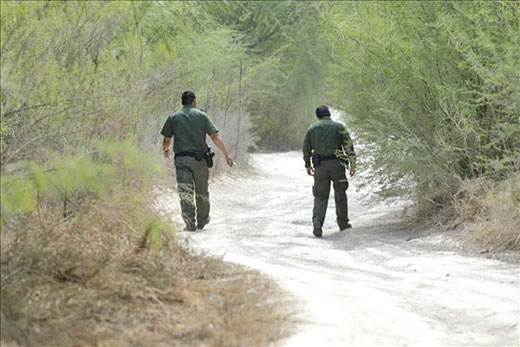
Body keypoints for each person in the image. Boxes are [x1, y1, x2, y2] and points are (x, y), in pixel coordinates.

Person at [161, 91, 234, 231]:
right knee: (202, 192)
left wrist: (165, 150)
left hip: (181, 160)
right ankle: (202, 220)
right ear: (194, 101)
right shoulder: (202, 116)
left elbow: (166, 140)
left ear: (182, 101)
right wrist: (226, 154)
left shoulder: (173, 117)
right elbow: (215, 137)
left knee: (185, 191)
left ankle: (189, 223)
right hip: (199, 160)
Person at [303, 105, 356, 237]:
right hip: (338, 165)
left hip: (320, 167)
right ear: (329, 114)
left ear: (318, 116)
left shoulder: (312, 129)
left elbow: (306, 149)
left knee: (320, 196)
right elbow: (348, 146)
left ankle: (317, 223)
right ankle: (343, 224)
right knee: (340, 194)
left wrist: (307, 165)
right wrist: (352, 164)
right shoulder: (339, 127)